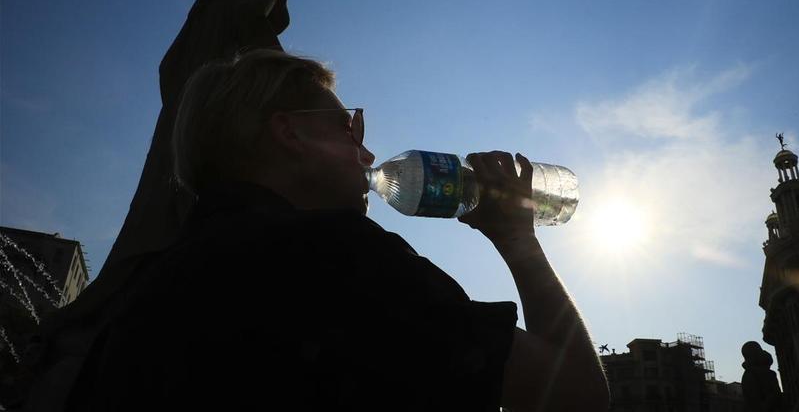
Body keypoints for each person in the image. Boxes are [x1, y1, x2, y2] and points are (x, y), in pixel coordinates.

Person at [64, 49, 610, 411]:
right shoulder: (327, 255)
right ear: (290, 133)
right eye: (349, 127)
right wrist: (519, 241)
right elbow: (577, 395)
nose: (368, 151)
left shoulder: (146, 287)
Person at [24, 0, 315, 410]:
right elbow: (249, 16)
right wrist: (293, 84)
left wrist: (186, 106)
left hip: (188, 103)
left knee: (159, 215)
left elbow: (168, 63)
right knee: (185, 214)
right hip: (211, 106)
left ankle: (81, 318)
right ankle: (93, 319)